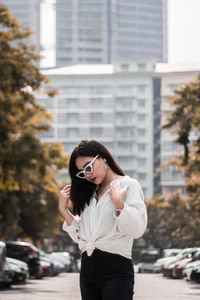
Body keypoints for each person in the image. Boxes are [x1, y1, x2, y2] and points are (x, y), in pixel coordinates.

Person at [59, 139, 147, 300]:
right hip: (87, 269)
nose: (87, 174)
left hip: (116, 267)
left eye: (88, 167)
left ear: (103, 158)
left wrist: (119, 204)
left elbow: (137, 230)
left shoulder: (128, 185)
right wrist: (64, 211)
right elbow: (82, 238)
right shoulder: (90, 194)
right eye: (82, 172)